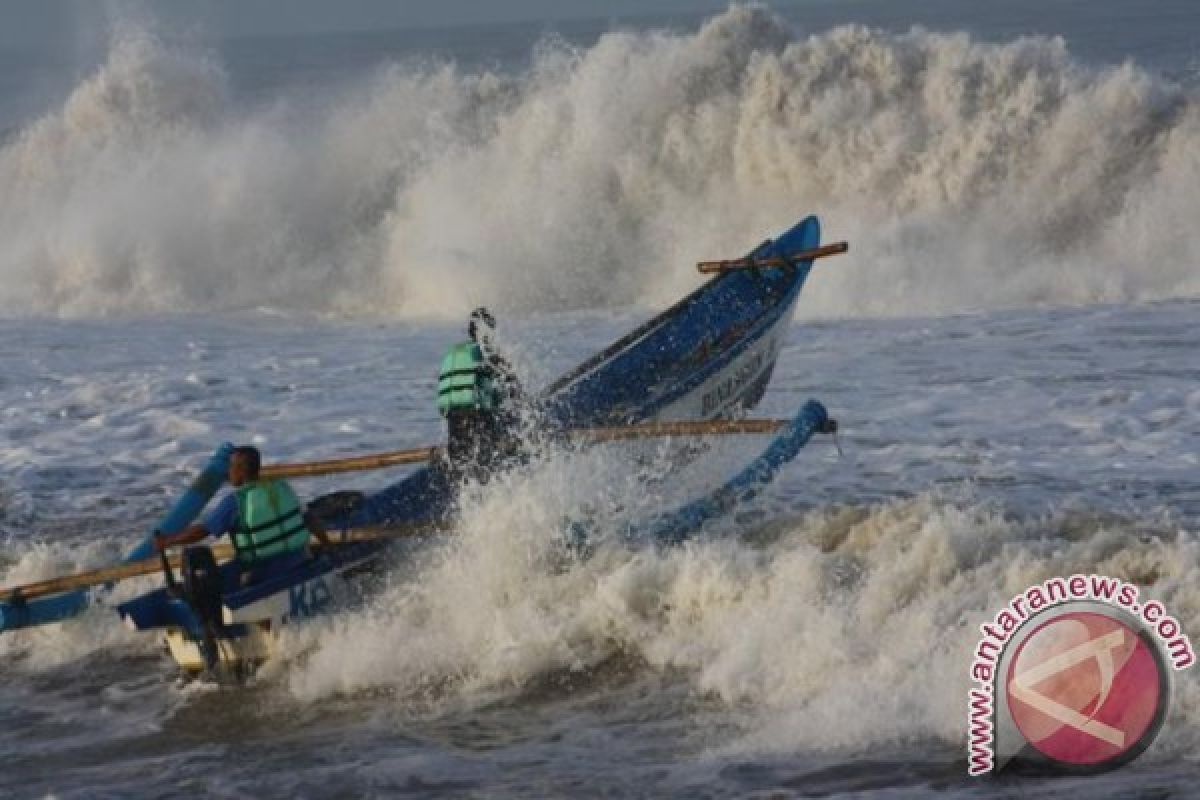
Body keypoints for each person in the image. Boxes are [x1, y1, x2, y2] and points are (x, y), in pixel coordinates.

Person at [155, 445, 333, 585]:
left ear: (240, 470)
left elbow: (202, 531)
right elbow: (310, 519)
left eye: (230, 467)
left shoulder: (235, 503)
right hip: (299, 558)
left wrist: (168, 541)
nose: (227, 472)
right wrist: (327, 547)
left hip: (263, 572)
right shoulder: (282, 487)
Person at [437, 307, 527, 481]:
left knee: (461, 467)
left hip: (454, 420)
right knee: (487, 464)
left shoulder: (455, 352)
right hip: (478, 418)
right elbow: (514, 390)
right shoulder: (489, 353)